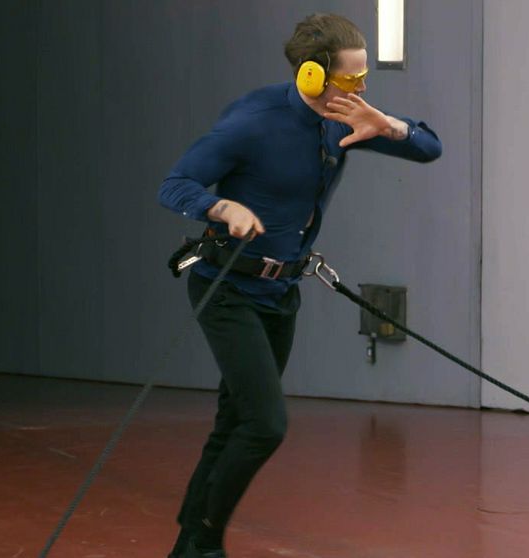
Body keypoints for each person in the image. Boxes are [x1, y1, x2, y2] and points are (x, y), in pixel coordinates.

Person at [157, 12, 442, 558]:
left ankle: (191, 544)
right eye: (352, 78)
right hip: (228, 289)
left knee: (235, 421)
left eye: (365, 77)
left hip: (281, 293)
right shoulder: (253, 120)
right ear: (312, 74)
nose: (362, 89)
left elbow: (429, 147)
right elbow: (175, 184)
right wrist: (220, 207)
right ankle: (206, 542)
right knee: (265, 425)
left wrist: (386, 124)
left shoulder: (344, 121)